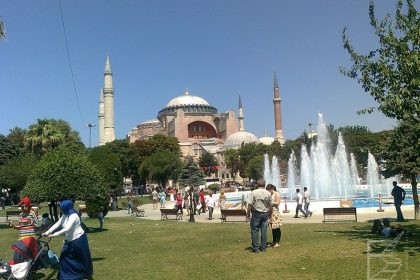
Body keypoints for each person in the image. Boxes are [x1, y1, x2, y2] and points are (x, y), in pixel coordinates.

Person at [43, 199, 93, 280]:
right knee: (64, 258)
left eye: (61, 208)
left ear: (66, 208)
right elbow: (57, 224)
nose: (60, 209)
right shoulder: (65, 215)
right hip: (69, 241)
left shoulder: (74, 216)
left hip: (79, 240)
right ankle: (65, 277)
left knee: (82, 258)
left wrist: (54, 234)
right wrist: (47, 232)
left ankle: (85, 275)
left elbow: (67, 228)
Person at [246, 179, 272, 253]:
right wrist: (270, 215)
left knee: (254, 230)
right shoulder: (268, 193)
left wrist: (247, 215)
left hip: (256, 213)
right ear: (264, 184)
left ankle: (255, 248)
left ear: (257, 184)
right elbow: (271, 206)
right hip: (265, 213)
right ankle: (263, 248)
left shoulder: (253, 192)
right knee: (264, 231)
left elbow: (249, 205)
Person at [267, 184, 282, 248]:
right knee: (273, 228)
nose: (268, 192)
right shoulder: (269, 194)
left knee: (277, 228)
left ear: (272, 189)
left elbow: (278, 203)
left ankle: (277, 242)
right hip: (270, 212)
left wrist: (271, 203)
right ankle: (273, 241)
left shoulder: (276, 193)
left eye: (269, 190)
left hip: (275, 213)